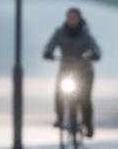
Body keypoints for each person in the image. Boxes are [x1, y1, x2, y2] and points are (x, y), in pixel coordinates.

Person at [43, 8, 101, 137]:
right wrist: (48, 53)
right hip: (66, 70)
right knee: (59, 93)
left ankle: (87, 123)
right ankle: (60, 118)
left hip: (84, 70)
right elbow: (50, 46)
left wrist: (95, 54)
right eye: (70, 17)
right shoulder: (59, 33)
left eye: (74, 17)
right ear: (66, 18)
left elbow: (95, 47)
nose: (72, 20)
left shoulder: (86, 34)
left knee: (85, 98)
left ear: (79, 18)